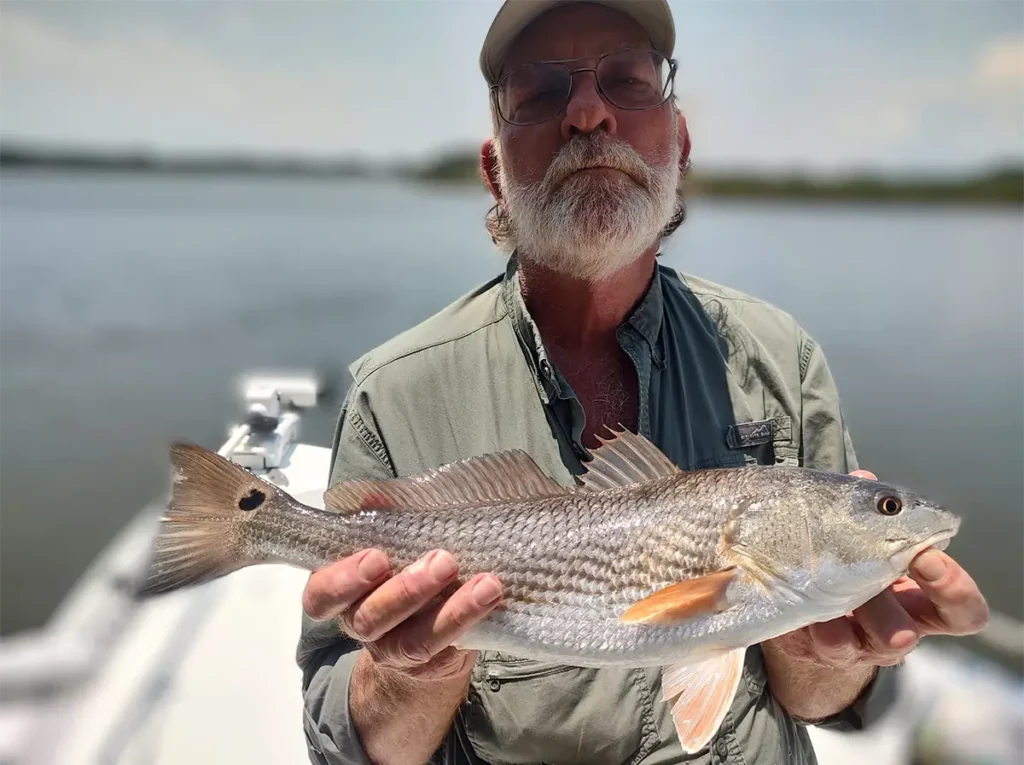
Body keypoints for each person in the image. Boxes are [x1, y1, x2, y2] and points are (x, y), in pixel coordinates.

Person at [295, 1, 990, 763]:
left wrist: (836, 655)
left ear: (679, 144)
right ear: (494, 169)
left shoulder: (781, 356)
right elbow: (349, 738)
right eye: (540, 92)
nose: (588, 113)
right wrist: (411, 675)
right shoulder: (390, 395)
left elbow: (815, 701)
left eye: (627, 81)